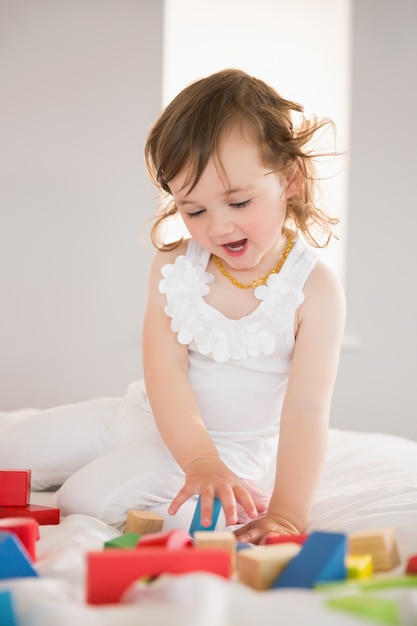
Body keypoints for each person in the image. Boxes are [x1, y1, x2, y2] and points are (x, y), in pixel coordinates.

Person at [0, 69, 345, 544]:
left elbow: (306, 410)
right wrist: (193, 457)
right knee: (9, 450)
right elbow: (164, 371)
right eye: (195, 210)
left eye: (239, 202)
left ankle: (185, 494)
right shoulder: (177, 264)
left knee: (84, 500)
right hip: (142, 413)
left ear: (290, 179)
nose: (219, 227)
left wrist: (286, 512)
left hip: (228, 449)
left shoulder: (316, 290)